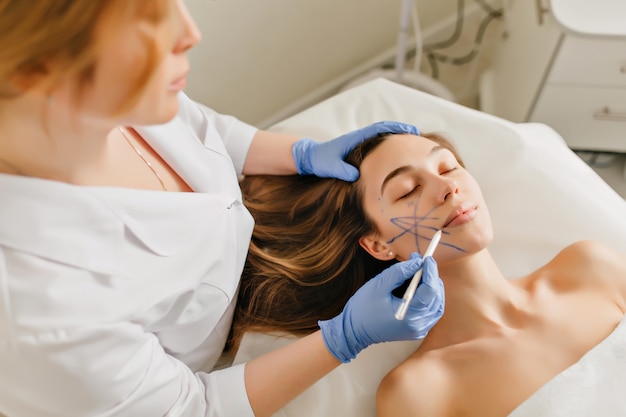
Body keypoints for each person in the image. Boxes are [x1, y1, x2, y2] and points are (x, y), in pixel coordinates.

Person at [0, 2, 446, 417]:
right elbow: (197, 408)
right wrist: (344, 339)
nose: (190, 33)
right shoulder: (43, 314)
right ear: (37, 68)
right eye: (144, 21)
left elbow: (199, 128)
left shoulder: (105, 101)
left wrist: (301, 154)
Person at [233, 132, 626, 416]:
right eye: (407, 190)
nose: (447, 187)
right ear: (378, 245)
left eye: (448, 167)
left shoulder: (589, 267)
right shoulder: (419, 392)